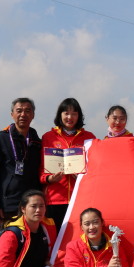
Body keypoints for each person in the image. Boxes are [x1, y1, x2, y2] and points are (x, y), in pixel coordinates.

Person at [0, 98, 42, 237]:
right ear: (12, 114)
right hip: (6, 207)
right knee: (1, 244)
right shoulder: (0, 139)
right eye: (19, 111)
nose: (23, 114)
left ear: (33, 115)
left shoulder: (37, 143)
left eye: (27, 111)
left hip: (32, 206)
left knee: (29, 244)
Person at [40, 98, 96, 231]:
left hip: (81, 198)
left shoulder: (89, 137)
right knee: (54, 238)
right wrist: (49, 178)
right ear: (60, 115)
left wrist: (82, 176)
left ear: (79, 116)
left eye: (74, 114)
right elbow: (41, 170)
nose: (70, 117)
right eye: (66, 113)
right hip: (55, 199)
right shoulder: (48, 137)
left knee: (79, 236)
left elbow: (95, 169)